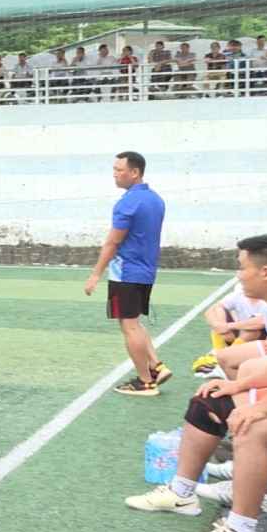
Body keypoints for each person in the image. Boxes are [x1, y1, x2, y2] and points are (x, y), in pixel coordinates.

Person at [124, 235, 267, 532]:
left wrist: (262, 408)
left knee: (253, 429)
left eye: (242, 268)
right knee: (210, 402)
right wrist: (235, 388)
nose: (238, 276)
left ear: (266, 272)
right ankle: (182, 494)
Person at [84, 151, 169, 395]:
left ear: (135, 172)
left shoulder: (127, 203)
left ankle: (145, 381)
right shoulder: (156, 199)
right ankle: (156, 366)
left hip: (126, 272)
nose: (115, 174)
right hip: (146, 270)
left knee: (129, 326)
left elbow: (113, 242)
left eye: (119, 170)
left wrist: (95, 274)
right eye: (114, 169)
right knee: (134, 323)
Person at [191, 283, 267, 380]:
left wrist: (228, 326)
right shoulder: (240, 293)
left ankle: (222, 358)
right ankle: (218, 355)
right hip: (241, 336)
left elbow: (261, 322)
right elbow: (211, 310)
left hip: (266, 338)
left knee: (252, 328)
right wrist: (219, 326)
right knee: (218, 312)